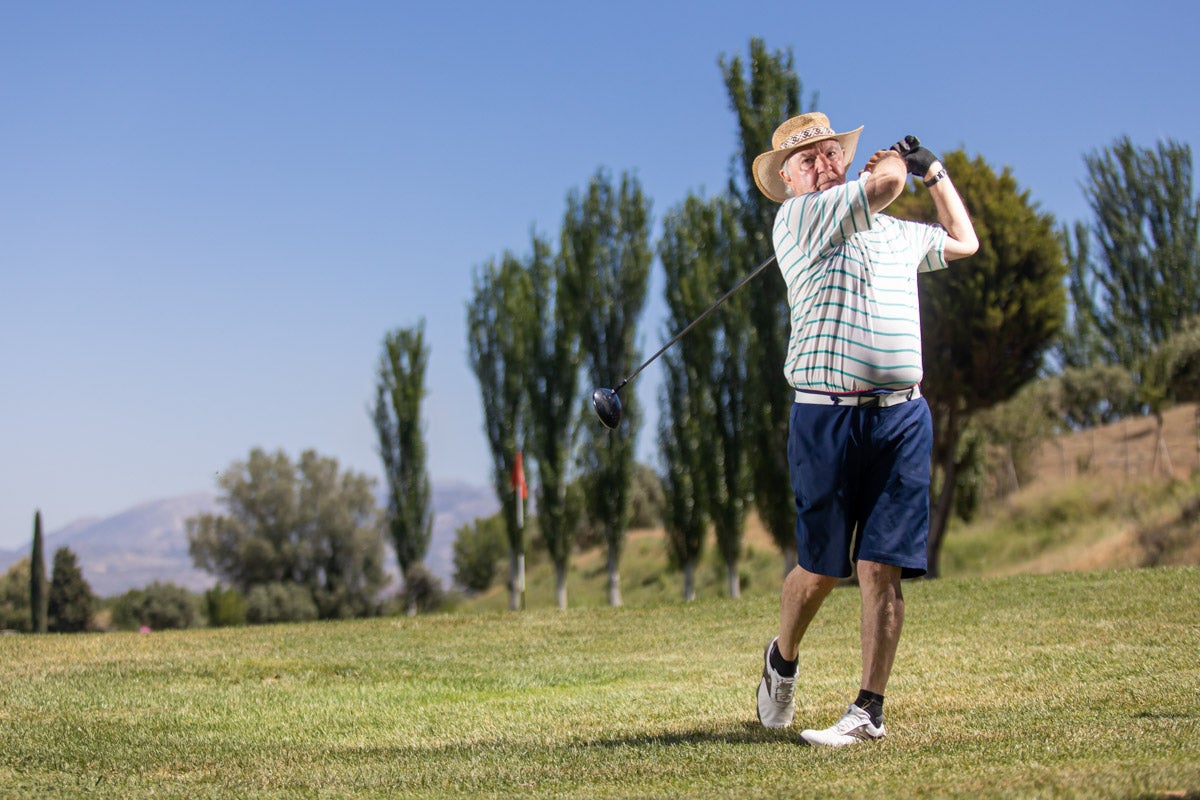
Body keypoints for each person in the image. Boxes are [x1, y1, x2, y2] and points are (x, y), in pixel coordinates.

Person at [750, 112, 978, 747]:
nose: (823, 164)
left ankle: (868, 710)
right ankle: (783, 658)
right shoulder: (797, 220)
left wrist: (933, 171)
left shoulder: (895, 234)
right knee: (822, 570)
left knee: (882, 566)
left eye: (830, 154)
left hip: (902, 416)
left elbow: (964, 242)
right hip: (825, 415)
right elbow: (878, 189)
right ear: (790, 181)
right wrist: (893, 171)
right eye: (808, 160)